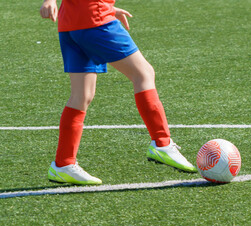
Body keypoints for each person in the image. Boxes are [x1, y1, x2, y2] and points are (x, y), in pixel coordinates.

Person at [40, 0, 197, 185]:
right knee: (143, 74)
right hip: (95, 21)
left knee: (82, 95)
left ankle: (63, 164)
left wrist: (109, 8)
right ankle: (162, 143)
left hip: (71, 24)